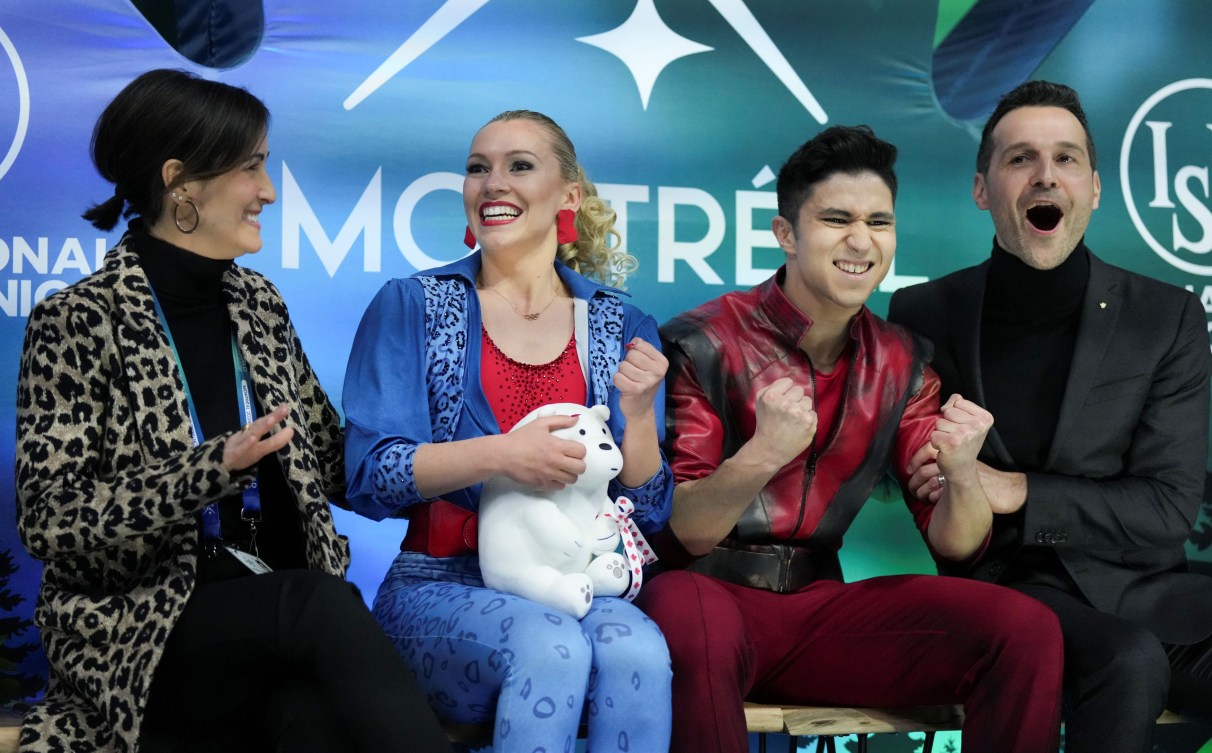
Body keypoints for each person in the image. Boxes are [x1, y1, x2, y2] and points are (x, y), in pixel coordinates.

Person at [14, 69, 452, 753]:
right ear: (180, 182)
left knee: (311, 722)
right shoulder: (77, 319)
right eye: (253, 168)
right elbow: (50, 518)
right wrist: (210, 467)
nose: (269, 192)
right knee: (318, 603)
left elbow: (335, 462)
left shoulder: (260, 304)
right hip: (141, 631)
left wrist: (472, 454)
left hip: (266, 625)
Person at [640, 125, 1065, 753]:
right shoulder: (703, 340)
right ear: (786, 233)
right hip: (708, 593)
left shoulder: (902, 361)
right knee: (687, 613)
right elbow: (682, 533)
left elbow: (956, 544)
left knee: (1023, 627)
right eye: (837, 219)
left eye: (880, 222)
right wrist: (762, 453)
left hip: (819, 609)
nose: (861, 241)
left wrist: (964, 471)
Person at [888, 80, 1212, 753]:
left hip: (1151, 592)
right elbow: (922, 479)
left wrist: (1014, 487)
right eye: (1020, 159)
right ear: (983, 189)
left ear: (1094, 187)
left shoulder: (1167, 315)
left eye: (1067, 159)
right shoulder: (924, 312)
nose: (1046, 175)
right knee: (1126, 663)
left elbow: (1166, 508)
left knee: (1137, 651)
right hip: (1008, 591)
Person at [343, 110, 674, 752]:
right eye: (477, 168)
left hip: (570, 576)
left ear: (569, 195)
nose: (493, 183)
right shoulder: (413, 304)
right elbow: (368, 476)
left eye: (520, 166)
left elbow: (650, 510)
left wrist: (636, 419)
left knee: (638, 650)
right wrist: (503, 455)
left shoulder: (620, 323)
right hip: (435, 585)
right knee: (550, 648)